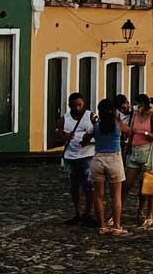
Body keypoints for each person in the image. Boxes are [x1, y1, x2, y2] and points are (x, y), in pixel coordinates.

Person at [91, 99, 131, 236]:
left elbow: (85, 140)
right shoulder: (118, 125)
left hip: (98, 159)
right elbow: (131, 131)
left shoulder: (96, 126)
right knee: (116, 196)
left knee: (98, 196)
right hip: (114, 159)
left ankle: (102, 226)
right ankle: (117, 226)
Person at [57, 92, 97, 226]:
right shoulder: (64, 119)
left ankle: (88, 213)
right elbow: (59, 136)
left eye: (80, 105)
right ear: (69, 106)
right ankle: (77, 213)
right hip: (71, 156)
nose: (78, 108)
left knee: (88, 186)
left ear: (83, 103)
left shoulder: (90, 116)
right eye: (74, 106)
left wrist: (89, 140)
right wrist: (65, 137)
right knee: (74, 187)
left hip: (87, 155)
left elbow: (98, 132)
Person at [127, 94, 153, 227]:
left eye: (137, 104)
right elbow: (131, 132)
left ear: (144, 104)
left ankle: (149, 215)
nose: (135, 107)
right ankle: (127, 213)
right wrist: (127, 149)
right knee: (127, 184)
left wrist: (145, 133)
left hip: (148, 153)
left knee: (148, 186)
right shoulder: (135, 115)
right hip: (134, 152)